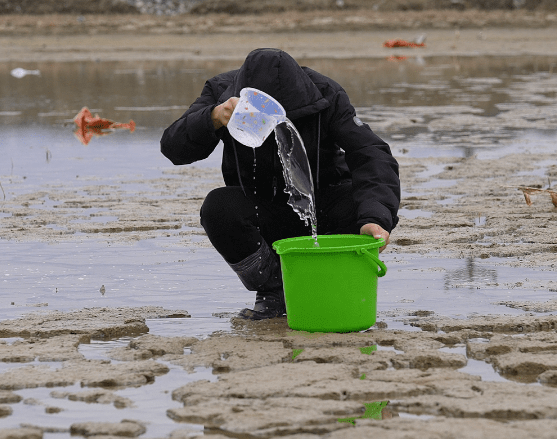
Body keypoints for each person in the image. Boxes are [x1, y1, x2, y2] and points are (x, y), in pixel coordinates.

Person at [160, 48, 400, 319]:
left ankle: (327, 281)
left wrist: (376, 218)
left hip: (323, 206)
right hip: (263, 210)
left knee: (364, 204)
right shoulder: (221, 92)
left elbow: (372, 155)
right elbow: (173, 148)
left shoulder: (325, 92)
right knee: (219, 207)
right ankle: (276, 289)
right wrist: (212, 118)